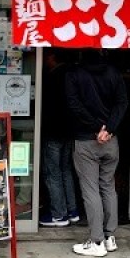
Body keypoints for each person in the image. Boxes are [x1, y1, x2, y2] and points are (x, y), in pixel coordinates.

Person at [65, 50, 128, 257]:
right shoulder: (113, 73)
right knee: (108, 187)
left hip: (86, 141)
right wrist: (108, 128)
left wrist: (96, 128)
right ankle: (110, 237)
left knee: (90, 190)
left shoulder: (74, 74)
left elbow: (74, 106)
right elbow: (122, 103)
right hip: (110, 141)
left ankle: (97, 241)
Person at [39, 49, 79, 227]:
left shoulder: (51, 77)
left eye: (47, 57)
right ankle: (72, 210)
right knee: (66, 170)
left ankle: (58, 215)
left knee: (53, 173)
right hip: (69, 130)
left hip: (53, 131)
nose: (45, 60)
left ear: (53, 58)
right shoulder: (72, 75)